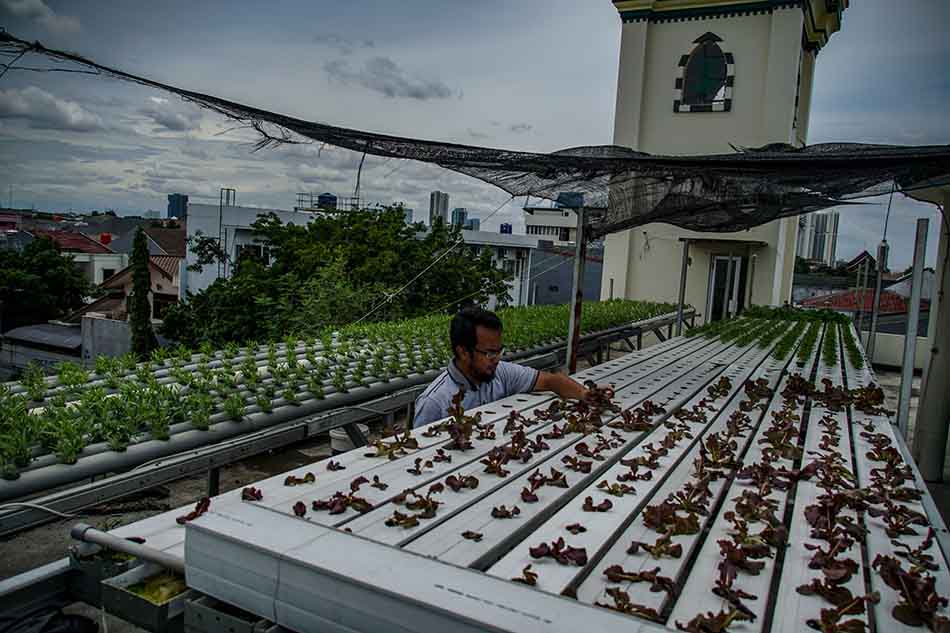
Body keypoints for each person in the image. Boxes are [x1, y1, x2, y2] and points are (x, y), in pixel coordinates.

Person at [412, 306, 592, 428]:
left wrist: (585, 394)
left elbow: (551, 381)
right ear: (463, 352)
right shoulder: (434, 402)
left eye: (499, 351)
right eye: (490, 353)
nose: (497, 359)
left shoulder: (501, 372)